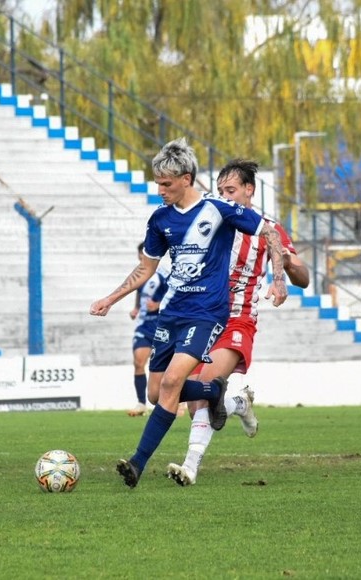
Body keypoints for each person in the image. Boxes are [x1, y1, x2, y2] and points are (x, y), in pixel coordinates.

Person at [89, 138, 289, 488]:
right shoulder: (160, 219)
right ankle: (214, 393)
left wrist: (279, 279)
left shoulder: (219, 209)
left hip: (207, 312)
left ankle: (137, 463)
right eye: (157, 182)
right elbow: (145, 270)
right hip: (172, 313)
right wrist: (111, 298)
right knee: (155, 394)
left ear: (186, 178)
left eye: (166, 183)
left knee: (171, 383)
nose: (160, 189)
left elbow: (269, 232)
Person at [166, 159, 310, 487]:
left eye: (231, 190)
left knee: (204, 385)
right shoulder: (211, 224)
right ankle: (239, 403)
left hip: (237, 322)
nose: (225, 197)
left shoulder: (268, 230)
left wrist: (283, 268)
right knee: (197, 399)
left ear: (249, 190)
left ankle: (190, 467)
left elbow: (304, 278)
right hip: (203, 318)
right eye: (220, 192)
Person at [127, 243, 169, 417]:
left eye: (144, 256)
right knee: (138, 362)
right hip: (144, 325)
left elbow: (175, 293)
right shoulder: (139, 274)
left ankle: (173, 401)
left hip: (162, 325)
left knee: (169, 367)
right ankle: (141, 403)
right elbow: (139, 292)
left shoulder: (164, 273)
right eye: (140, 256)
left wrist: (158, 305)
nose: (141, 259)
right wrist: (136, 308)